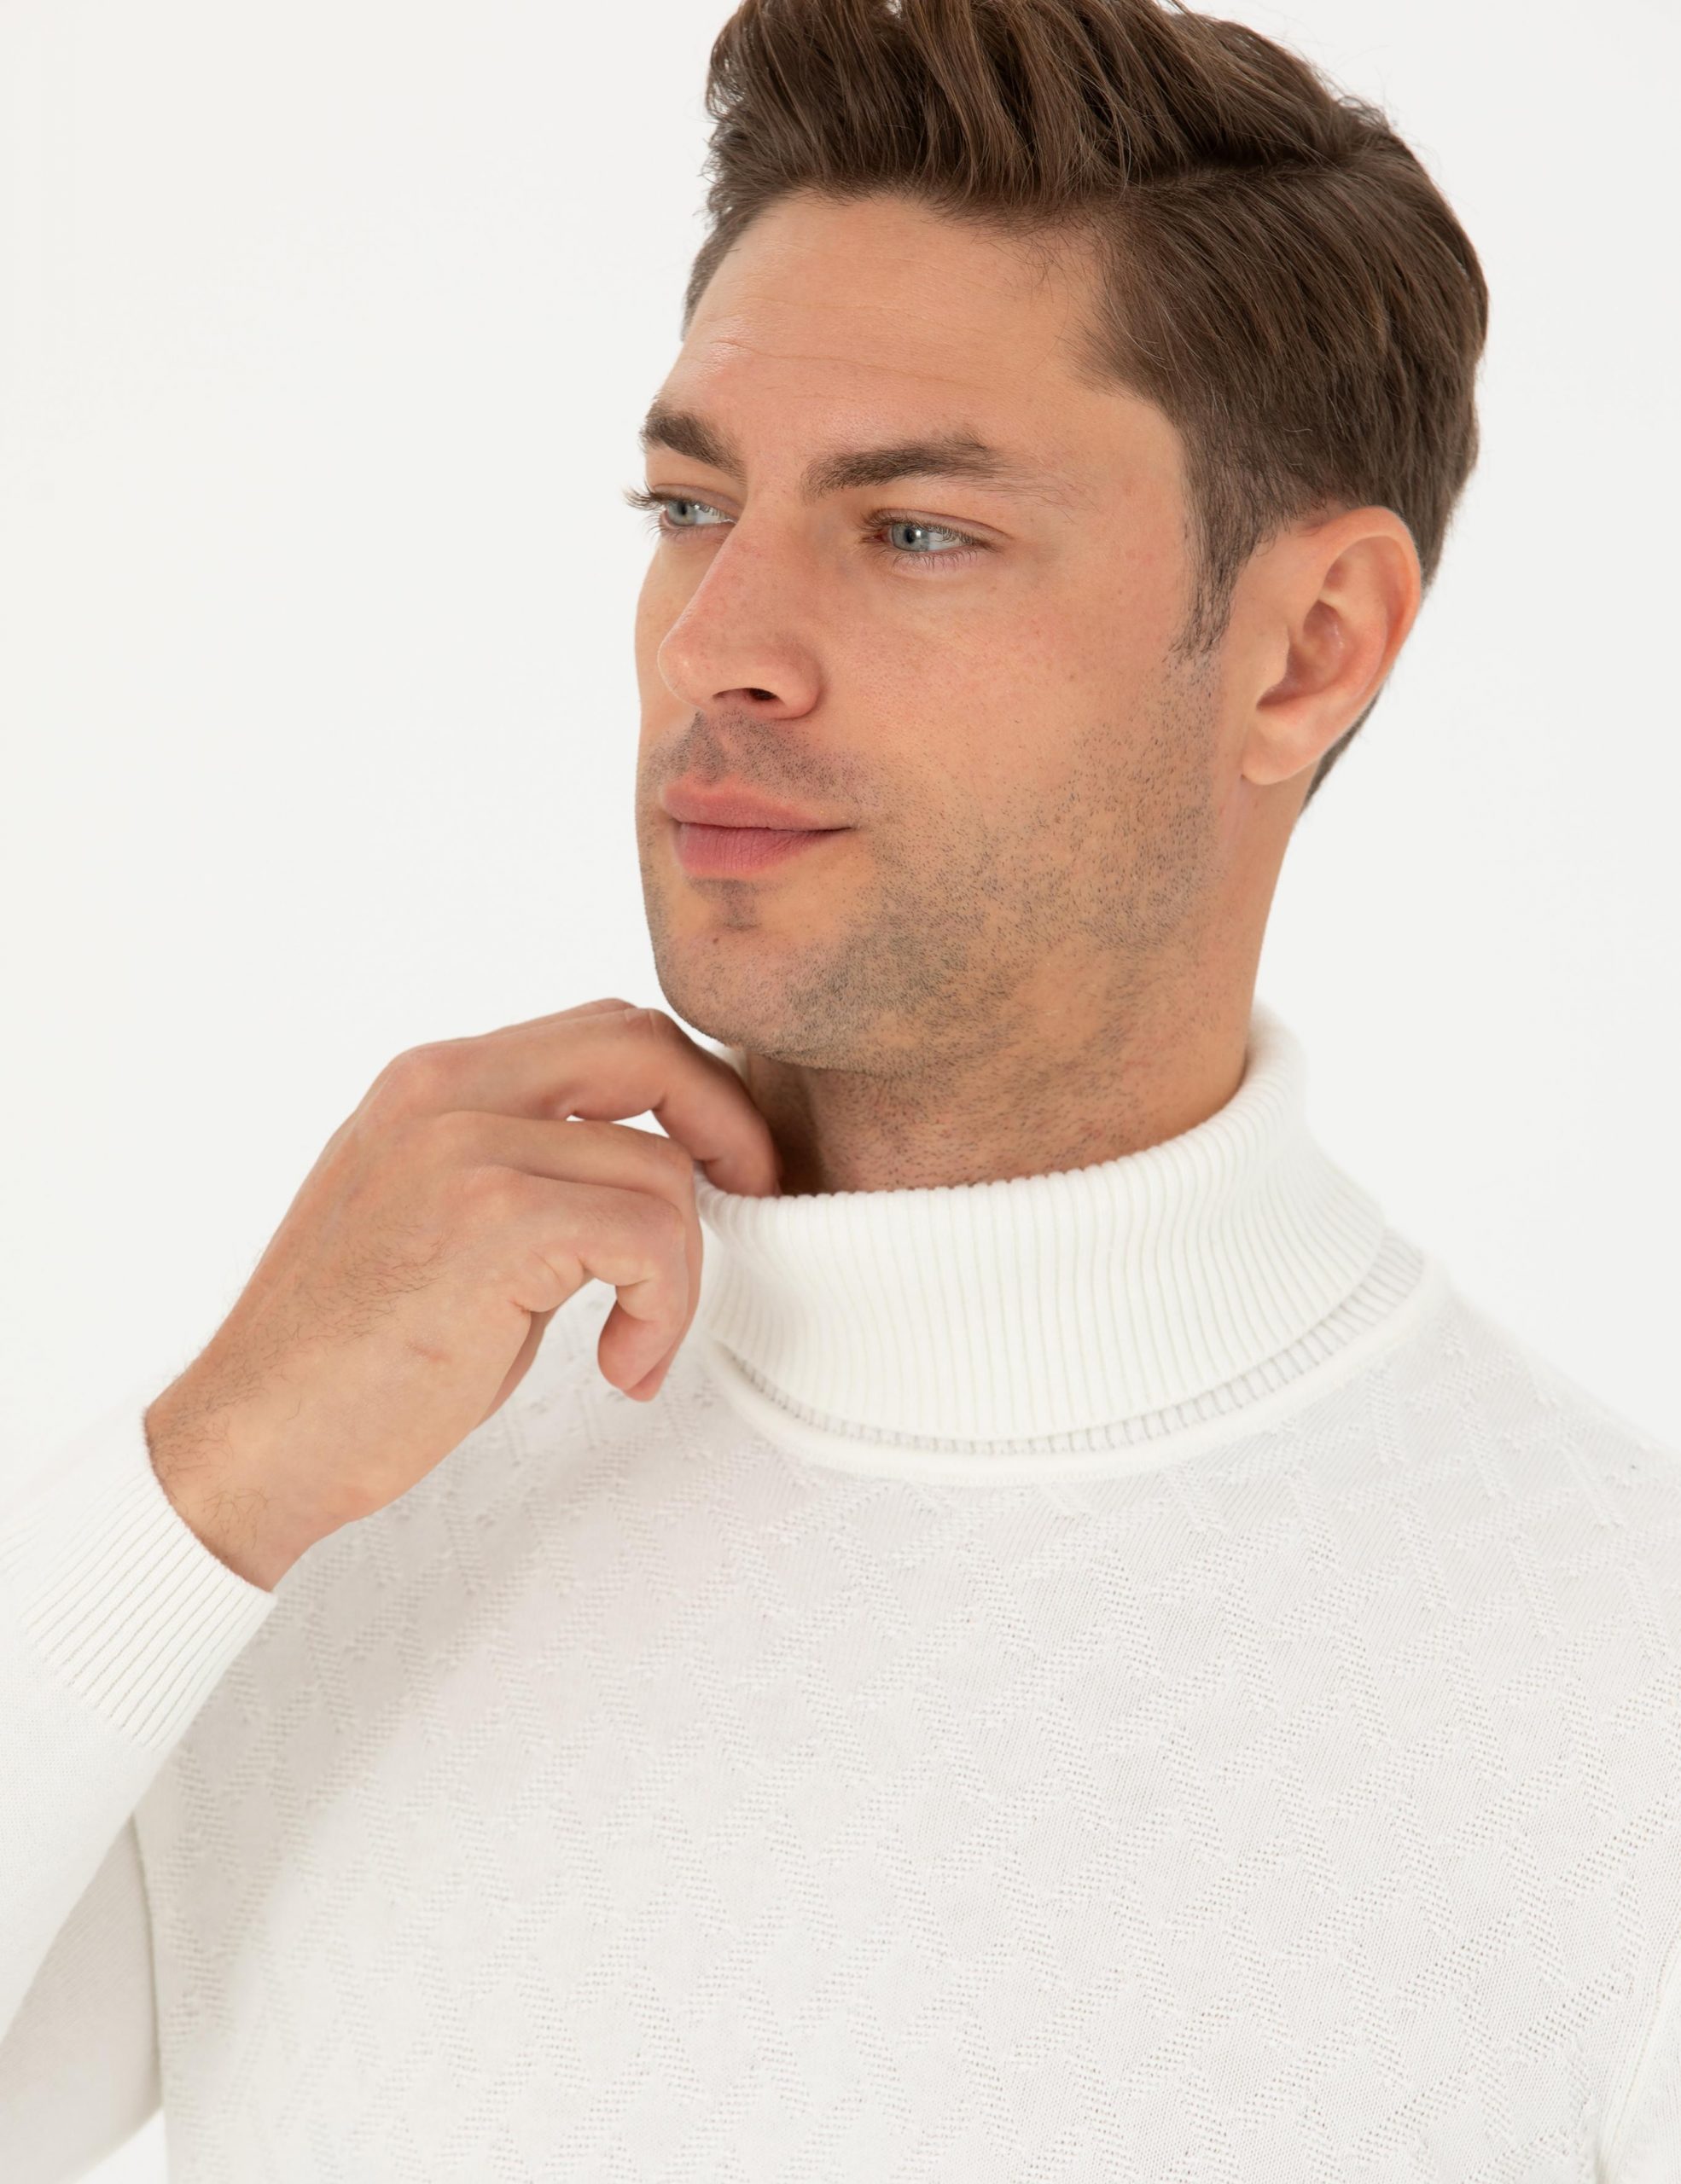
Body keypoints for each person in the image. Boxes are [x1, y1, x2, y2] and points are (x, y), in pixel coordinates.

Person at [2, 0, 1674, 2173]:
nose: (719, 642)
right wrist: (203, 1484)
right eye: (689, 504)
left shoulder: (1616, 1711)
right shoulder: (326, 1490)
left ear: (1309, 645)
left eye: (916, 533)